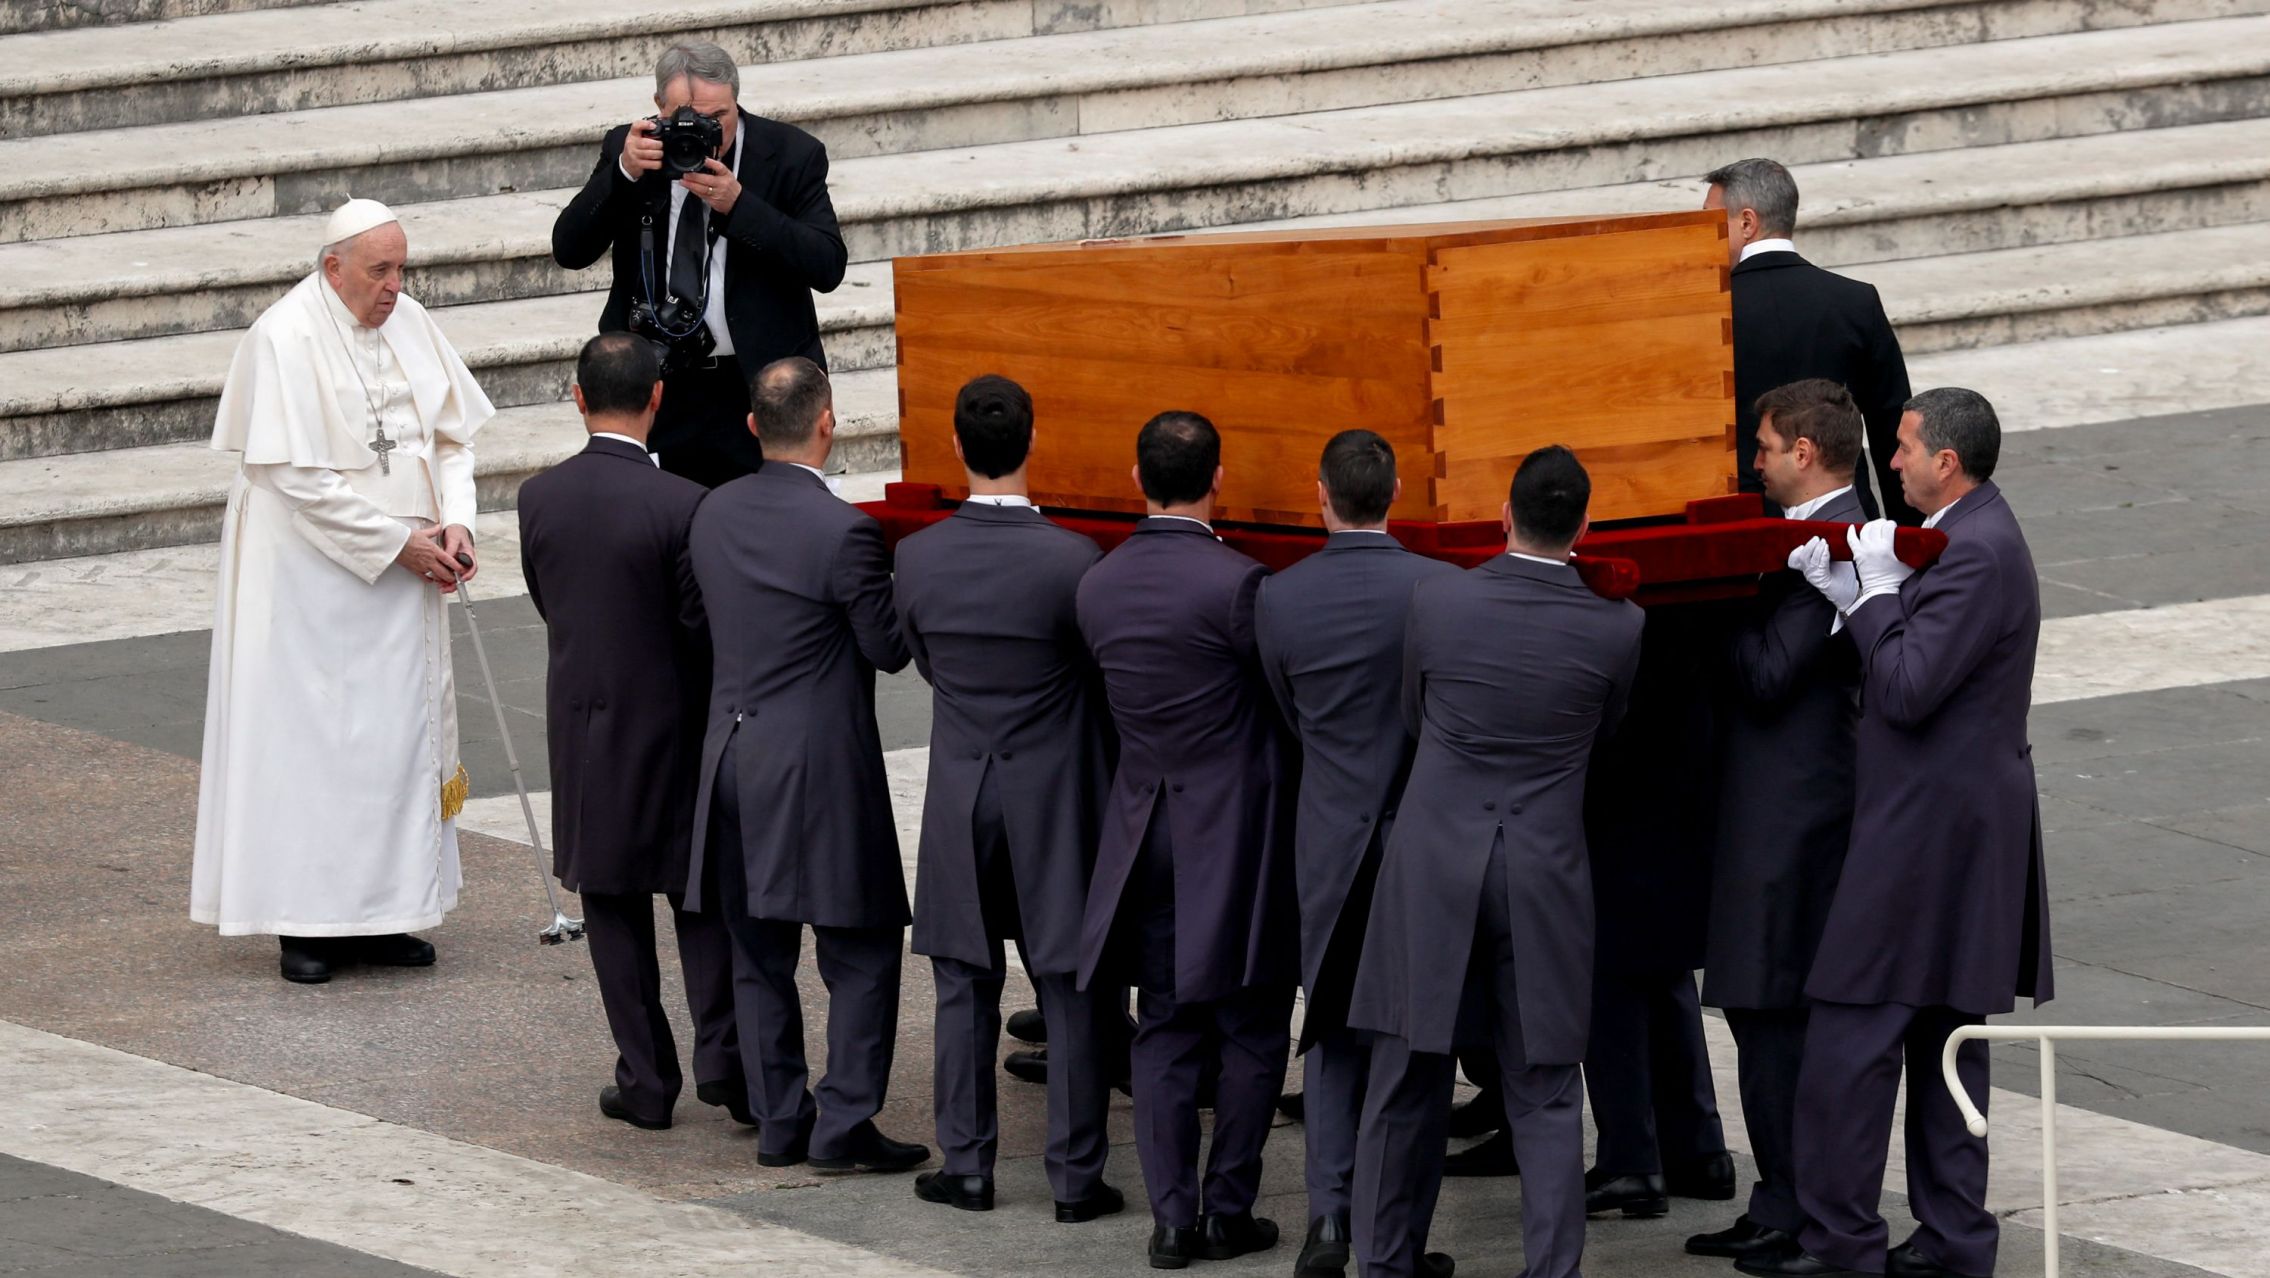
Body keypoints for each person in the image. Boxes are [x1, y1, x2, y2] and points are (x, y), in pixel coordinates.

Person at [1741, 388, 2055, 1278]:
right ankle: (1954, 1240)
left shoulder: (1977, 551)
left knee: (1849, 1038)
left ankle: (1845, 1240)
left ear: (1945, 463)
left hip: (1930, 833)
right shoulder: (1971, 536)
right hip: (1952, 826)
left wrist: (1872, 594)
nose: (1894, 462)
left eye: (1906, 448)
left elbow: (1909, 688)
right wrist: (1856, 595)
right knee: (1946, 1044)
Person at [1347, 445, 1643, 1278]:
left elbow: (1414, 711)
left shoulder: (1436, 600)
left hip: (1435, 857)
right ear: (1586, 525)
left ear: (1504, 515)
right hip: (1542, 867)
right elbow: (1606, 730)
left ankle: (1384, 1263)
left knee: (1404, 1071)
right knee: (1545, 1085)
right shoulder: (1620, 626)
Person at [192, 198, 492, 985]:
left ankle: (386, 913)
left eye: (401, 269)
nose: (394, 287)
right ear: (333, 268)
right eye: (379, 272)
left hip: (408, 570)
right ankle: (307, 922)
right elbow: (292, 475)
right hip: (311, 577)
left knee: (394, 738)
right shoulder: (283, 337)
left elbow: (451, 436)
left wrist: (454, 522)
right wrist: (396, 541)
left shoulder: (412, 322)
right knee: (314, 741)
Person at [684, 357, 928, 1173]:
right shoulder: (844, 532)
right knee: (859, 946)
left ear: (753, 425)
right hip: (818, 767)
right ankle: (846, 1120)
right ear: (828, 423)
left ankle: (783, 1121)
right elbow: (886, 648)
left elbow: (696, 615)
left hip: (729, 755)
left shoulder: (712, 513)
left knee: (756, 953)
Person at [894, 375, 1124, 1221]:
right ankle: (1074, 1179)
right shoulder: (1072, 561)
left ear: (956, 446)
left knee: (963, 981)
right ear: (1034, 442)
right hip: (1052, 792)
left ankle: (969, 1166)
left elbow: (920, 654)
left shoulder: (917, 556)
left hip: (962, 789)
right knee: (1067, 986)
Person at [1074, 412, 1299, 1269]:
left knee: (1163, 1025)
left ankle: (1171, 1218)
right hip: (1234, 832)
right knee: (1248, 1023)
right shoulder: (1240, 585)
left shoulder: (1099, 584)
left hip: (1145, 830)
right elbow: (1280, 704)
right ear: (1220, 478)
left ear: (1137, 478)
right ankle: (1227, 1208)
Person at [516, 333, 745, 1132]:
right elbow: (697, 625)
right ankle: (726, 1062)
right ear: (658, 398)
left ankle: (646, 1080)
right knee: (700, 898)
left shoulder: (537, 498)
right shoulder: (686, 503)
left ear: (577, 399)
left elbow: (552, 602)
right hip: (676, 724)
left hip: (585, 724)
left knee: (611, 904)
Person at [1253, 430, 1461, 1277]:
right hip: (1419, 836)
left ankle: (1330, 1220)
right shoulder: (1441, 589)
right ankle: (1396, 1238)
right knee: (1412, 1047)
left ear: (1320, 495)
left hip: (1329, 837)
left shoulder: (1279, 597)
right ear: (1399, 490)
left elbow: (1287, 710)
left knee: (1330, 1036)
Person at [1686, 379, 1866, 1262]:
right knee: (1761, 1018)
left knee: (1774, 1014)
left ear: (1804, 451)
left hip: (1796, 822)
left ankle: (1799, 1204)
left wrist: (1707, 595)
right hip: (1770, 810)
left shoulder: (1834, 543)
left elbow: (1767, 675)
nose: (1752, 461)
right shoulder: (1802, 538)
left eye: (1762, 446)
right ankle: (1778, 1197)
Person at [551, 41, 849, 488]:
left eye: (719, 116)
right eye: (685, 118)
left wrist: (741, 206)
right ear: (658, 108)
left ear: (737, 100)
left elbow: (828, 266)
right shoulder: (632, 147)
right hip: (660, 382)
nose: (707, 130)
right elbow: (569, 250)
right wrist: (622, 173)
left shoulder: (790, 153)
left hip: (758, 385)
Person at [1707, 157, 1915, 523]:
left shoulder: (1707, 310)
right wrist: (1906, 534)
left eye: (1710, 220)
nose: (1702, 233)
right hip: (1846, 517)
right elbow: (1890, 426)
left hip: (1742, 524)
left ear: (1747, 222)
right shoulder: (1855, 300)